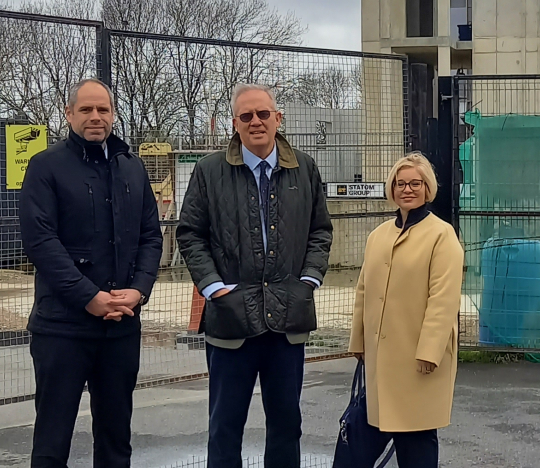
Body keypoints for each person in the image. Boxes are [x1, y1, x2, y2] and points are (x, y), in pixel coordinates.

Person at [176, 83, 333, 468]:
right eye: (246, 116)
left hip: (287, 320)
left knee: (286, 424)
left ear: (278, 118)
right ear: (235, 123)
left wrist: (308, 281)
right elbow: (190, 233)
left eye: (263, 114)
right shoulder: (209, 170)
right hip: (231, 320)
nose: (256, 122)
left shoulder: (304, 168)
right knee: (225, 426)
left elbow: (320, 230)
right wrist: (214, 289)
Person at [19, 78, 163, 468]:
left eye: (103, 109)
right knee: (52, 441)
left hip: (121, 326)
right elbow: (42, 243)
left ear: (113, 114)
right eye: (86, 109)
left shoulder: (132, 168)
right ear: (69, 114)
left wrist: (139, 290)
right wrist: (89, 297)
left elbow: (151, 236)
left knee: (116, 440)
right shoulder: (45, 166)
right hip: (62, 328)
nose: (95, 117)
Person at [349, 152, 464, 468]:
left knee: (416, 441)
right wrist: (358, 341)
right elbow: (363, 291)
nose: (407, 189)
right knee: (356, 442)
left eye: (415, 183)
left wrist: (430, 351)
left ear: (427, 188)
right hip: (380, 361)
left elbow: (443, 300)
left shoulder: (442, 236)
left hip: (417, 362)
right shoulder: (378, 236)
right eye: (400, 183)